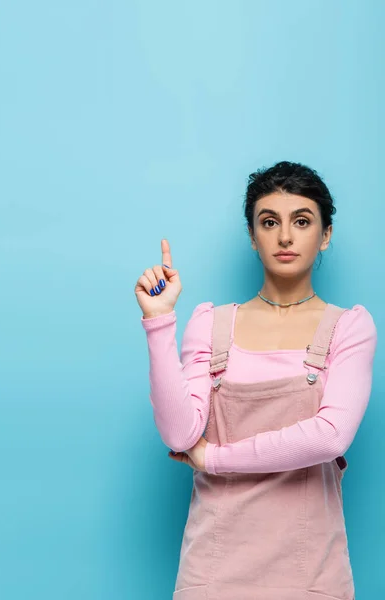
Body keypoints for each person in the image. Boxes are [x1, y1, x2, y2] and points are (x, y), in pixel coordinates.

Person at [134, 161, 377, 600]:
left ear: (325, 235)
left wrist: (216, 460)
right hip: (213, 570)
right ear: (252, 236)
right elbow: (179, 433)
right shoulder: (211, 323)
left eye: (301, 221)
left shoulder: (349, 328)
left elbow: (330, 437)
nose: (285, 236)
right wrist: (159, 320)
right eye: (269, 222)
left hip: (311, 573)